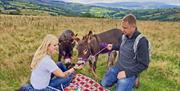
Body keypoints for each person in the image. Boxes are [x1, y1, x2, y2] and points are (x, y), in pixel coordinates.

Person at [101, 14, 150, 91]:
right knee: (104, 83)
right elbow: (121, 46)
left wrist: (126, 73)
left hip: (129, 72)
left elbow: (144, 64)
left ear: (133, 26)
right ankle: (119, 79)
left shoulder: (141, 41)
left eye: (125, 28)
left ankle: (133, 79)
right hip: (118, 67)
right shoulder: (124, 36)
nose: (122, 30)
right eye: (122, 27)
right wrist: (113, 46)